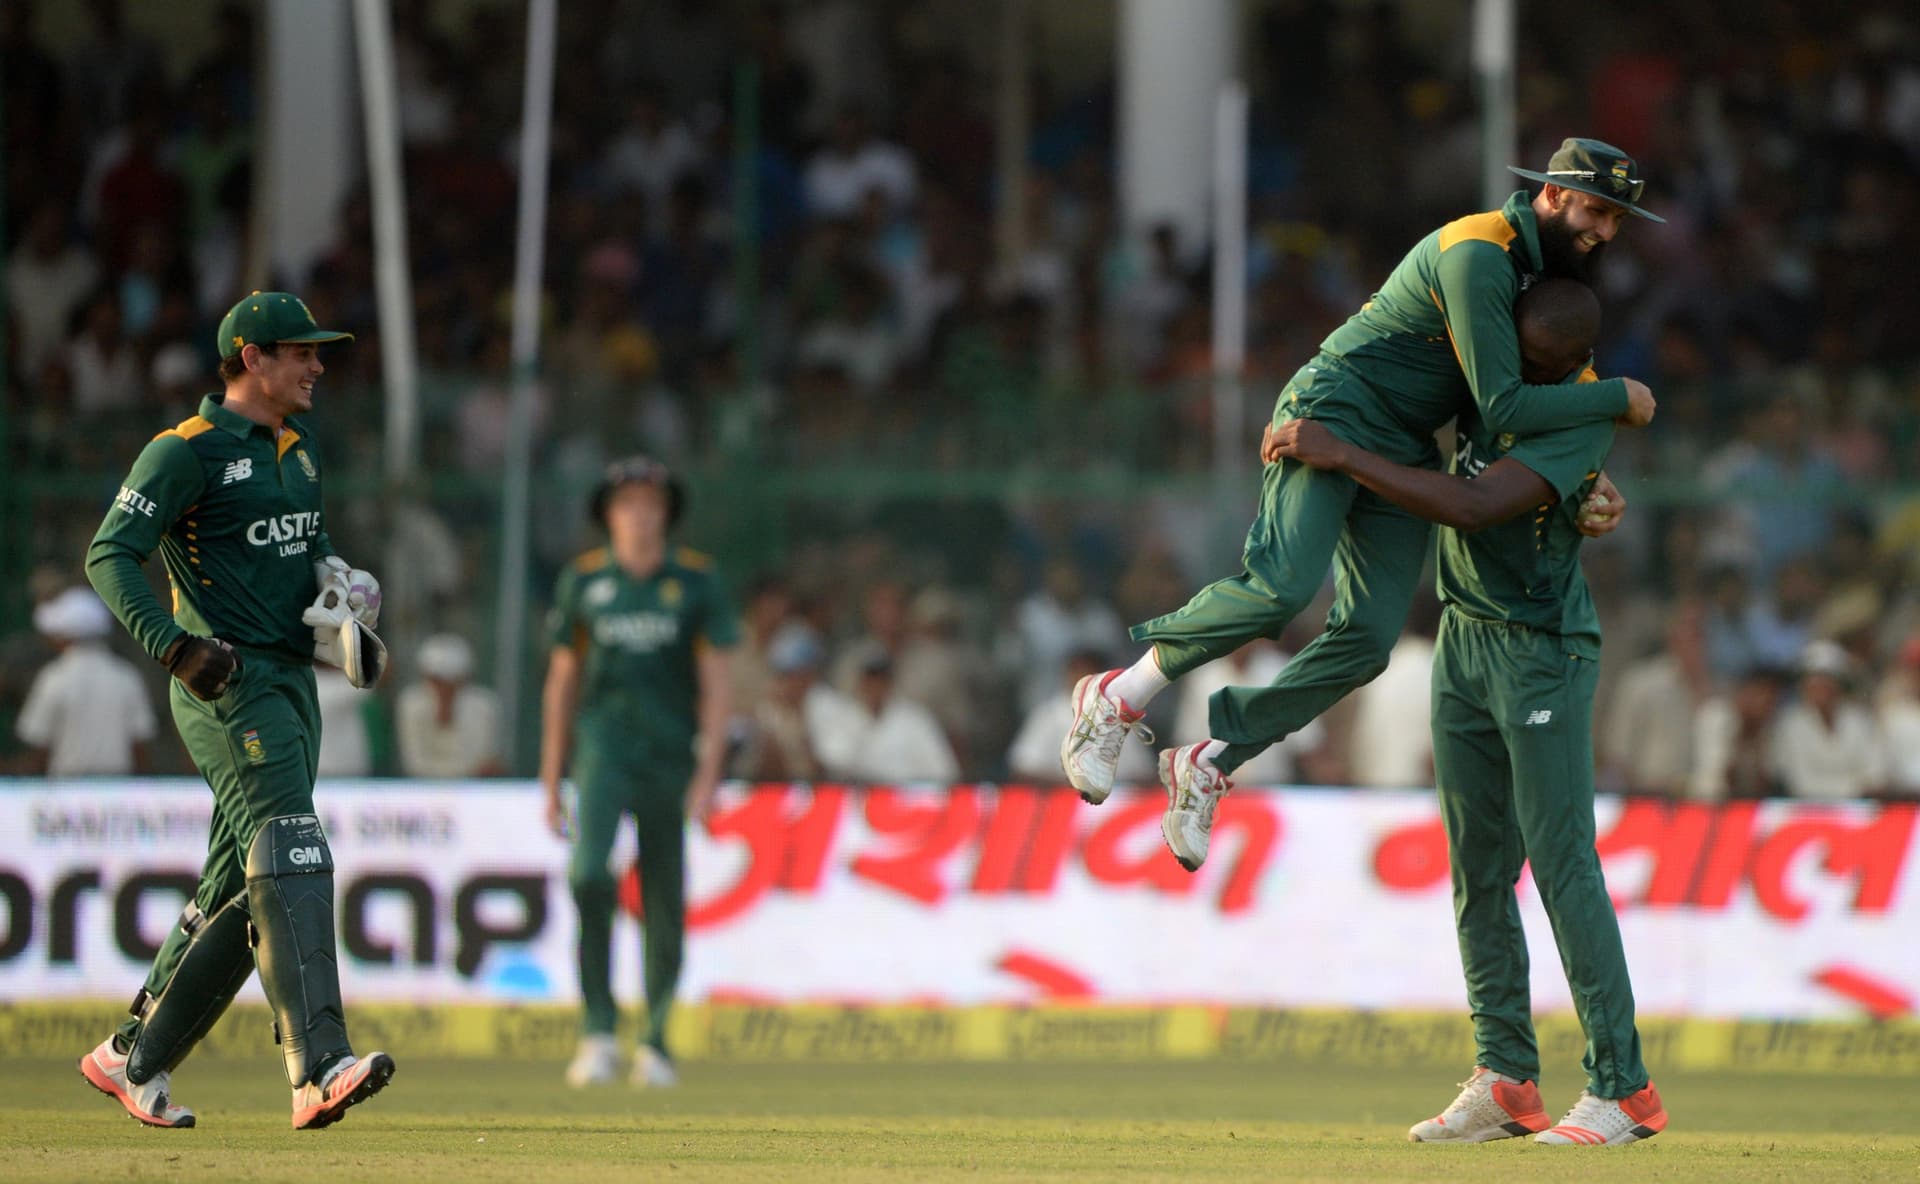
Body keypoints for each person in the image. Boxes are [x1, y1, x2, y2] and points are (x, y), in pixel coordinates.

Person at [1061, 138, 1660, 869]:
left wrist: (1583, 476)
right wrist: (1619, 398)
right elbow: (1504, 404)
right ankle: (1119, 696)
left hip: (1403, 441)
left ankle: (1211, 761)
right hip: (1335, 412)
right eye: (1599, 210)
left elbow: (1515, 401)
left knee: (1371, 640)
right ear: (1556, 194)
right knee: (1281, 591)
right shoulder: (1480, 253)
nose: (1606, 232)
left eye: (1618, 219)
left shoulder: (1540, 271)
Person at [1266, 277, 1666, 1146]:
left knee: (1561, 864)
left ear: (1560, 361)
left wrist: (1343, 455)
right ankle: (1506, 1079)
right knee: (1477, 869)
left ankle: (1623, 1089)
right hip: (1463, 640)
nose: (1494, 366)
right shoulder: (1486, 384)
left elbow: (1475, 503)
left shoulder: (1576, 414)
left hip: (1541, 650)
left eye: (1517, 352)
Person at [78, 291, 395, 1130]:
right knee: (294, 843)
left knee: (235, 884)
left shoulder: (300, 449)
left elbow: (298, 558)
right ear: (251, 357)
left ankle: (129, 1057)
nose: (317, 367)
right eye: (301, 353)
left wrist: (340, 594)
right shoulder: (184, 451)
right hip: (225, 683)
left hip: (292, 682)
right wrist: (173, 647)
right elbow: (109, 554)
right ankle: (317, 1067)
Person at [540, 457, 738, 1089]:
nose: (641, 514)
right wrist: (551, 777)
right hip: (603, 753)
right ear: (608, 514)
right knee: (589, 875)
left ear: (667, 513)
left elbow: (716, 685)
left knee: (663, 898)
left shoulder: (696, 581)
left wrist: (709, 772)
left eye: (651, 503)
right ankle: (598, 1031)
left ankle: (654, 1039)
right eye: (628, 503)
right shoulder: (584, 581)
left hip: (669, 755)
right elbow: (563, 681)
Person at [14, 585, 156, 775]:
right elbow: (140, 746)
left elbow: (40, 747)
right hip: (119, 792)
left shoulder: (53, 678)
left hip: (66, 790)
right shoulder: (126, 676)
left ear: (65, 636)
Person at [396, 632, 505, 778]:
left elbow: (485, 762)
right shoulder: (411, 704)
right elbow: (415, 764)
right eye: (437, 682)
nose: (444, 690)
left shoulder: (484, 706)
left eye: (451, 683)